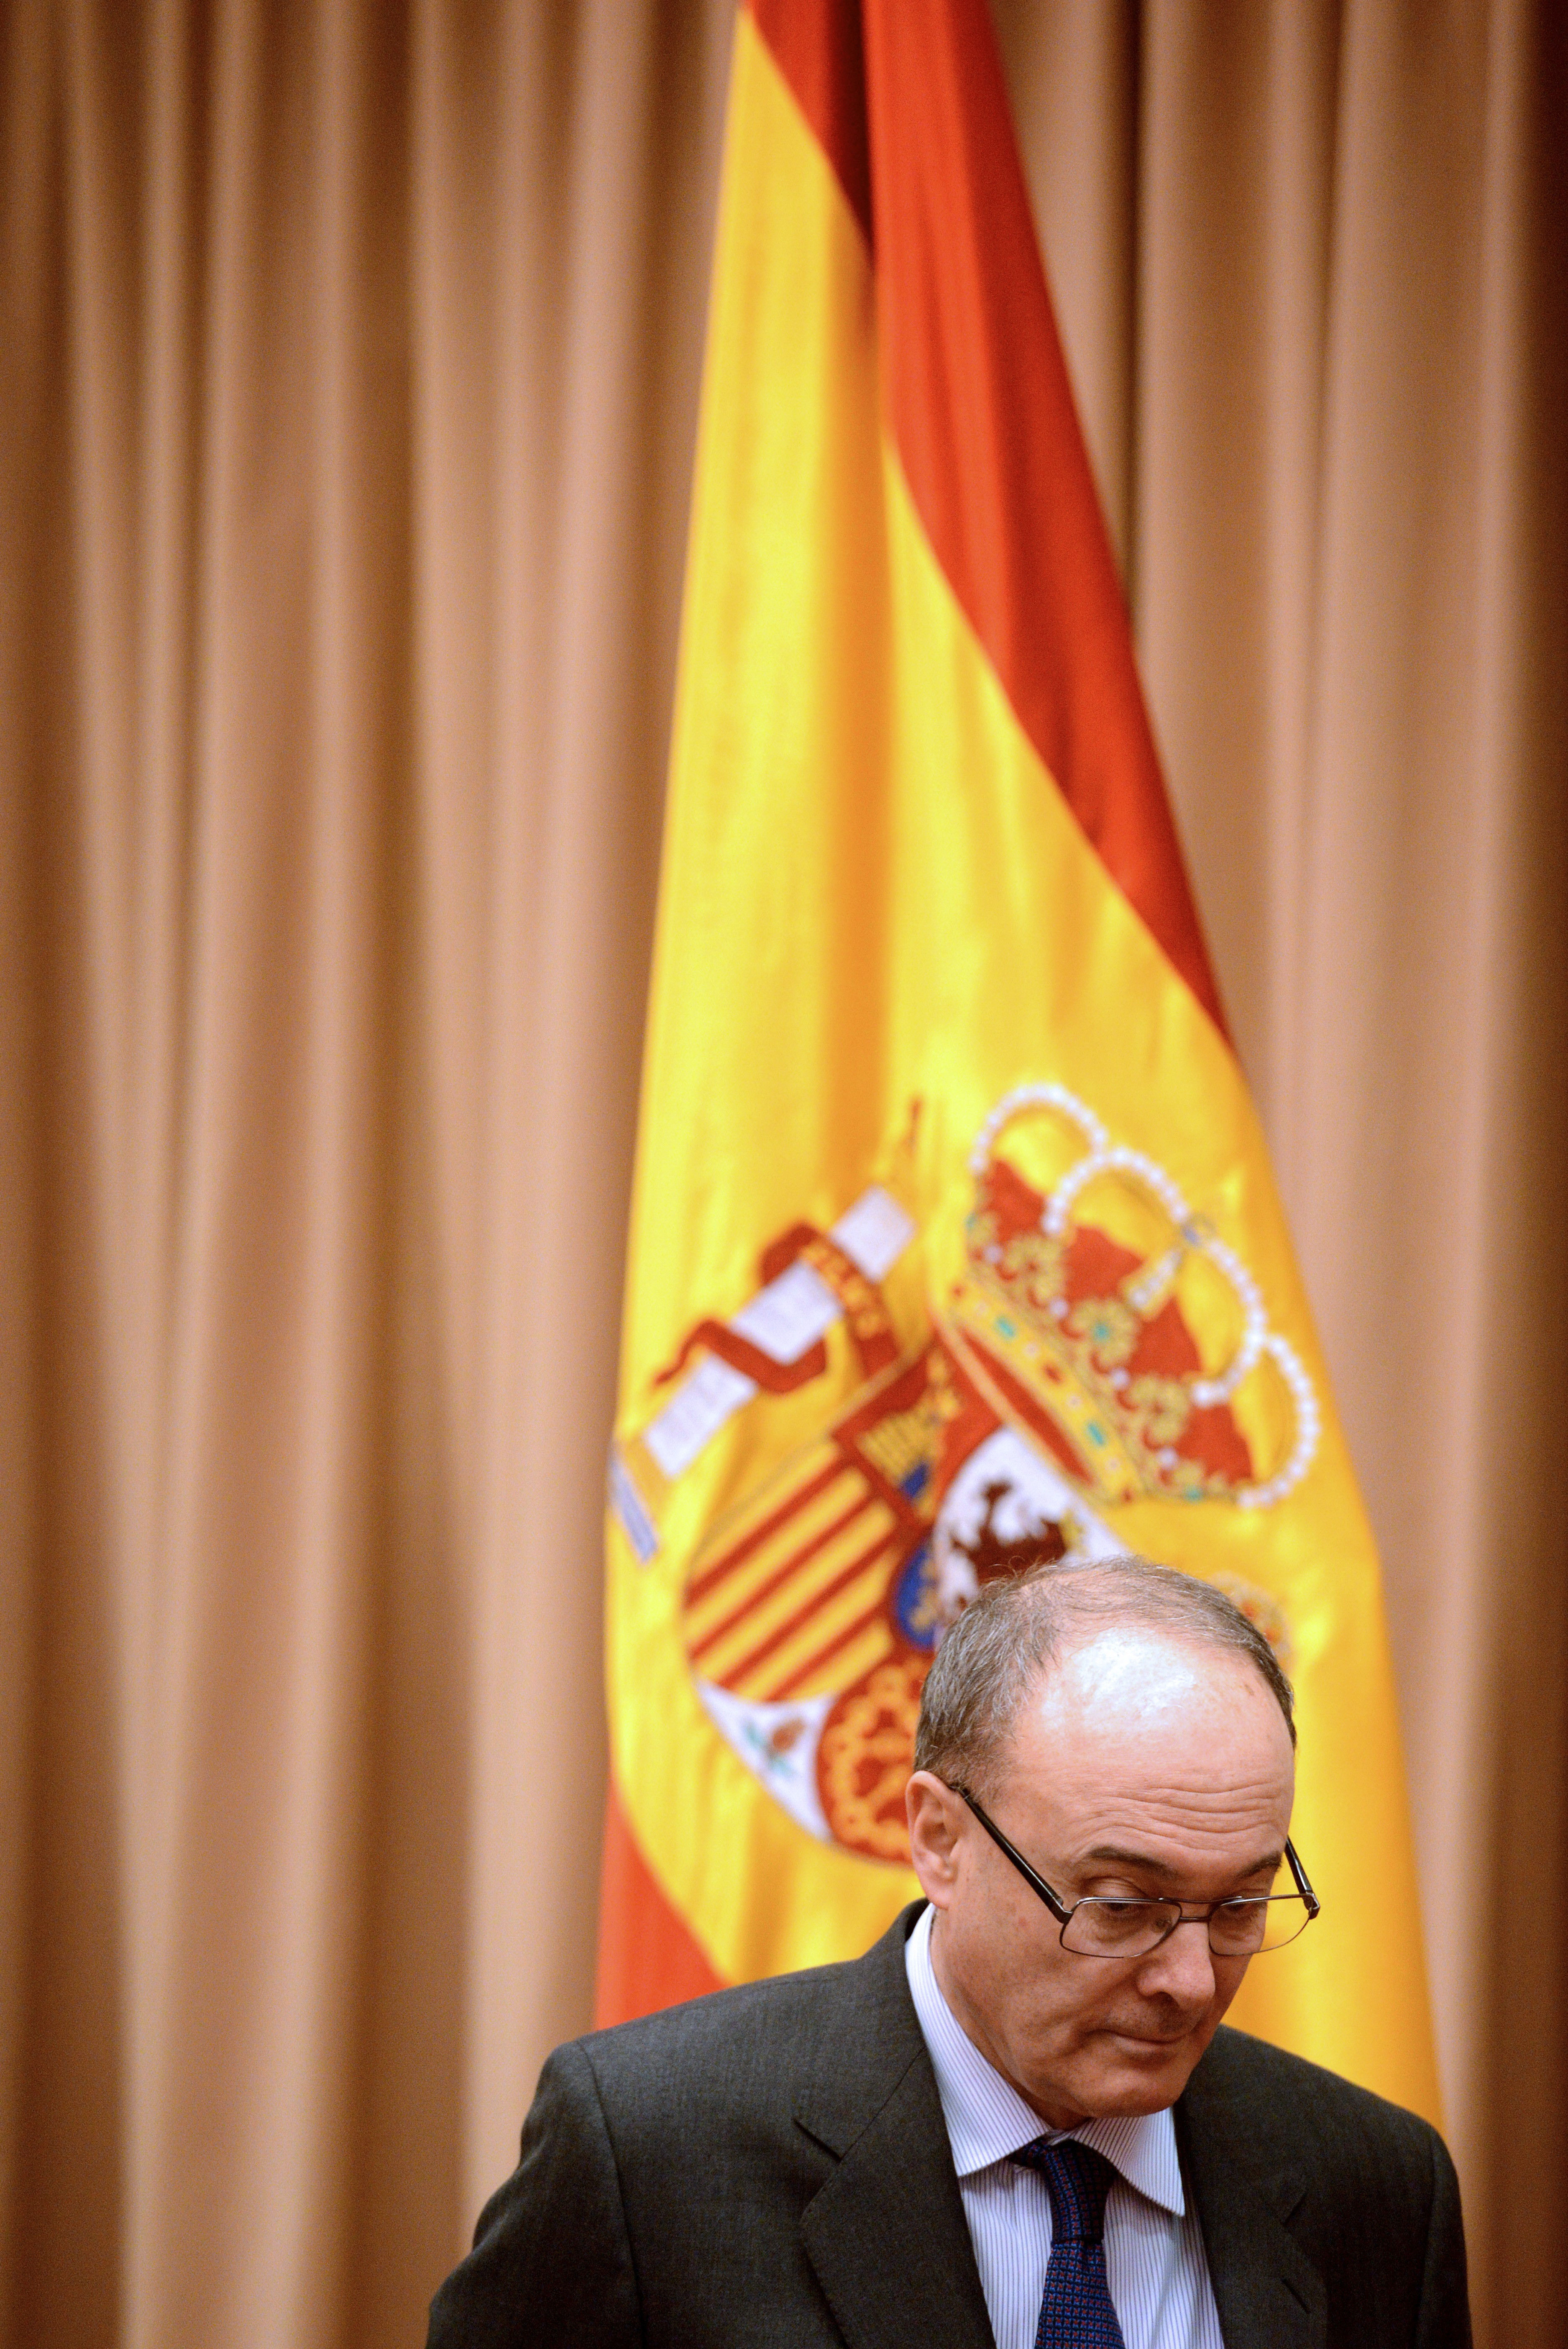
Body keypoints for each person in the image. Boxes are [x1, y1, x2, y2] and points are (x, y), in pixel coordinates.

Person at [427, 1556, 1470, 2347]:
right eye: (1118, 1905)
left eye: (1241, 1903)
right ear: (941, 1840)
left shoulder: (1376, 2186)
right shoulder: (648, 2152)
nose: (1190, 1982)